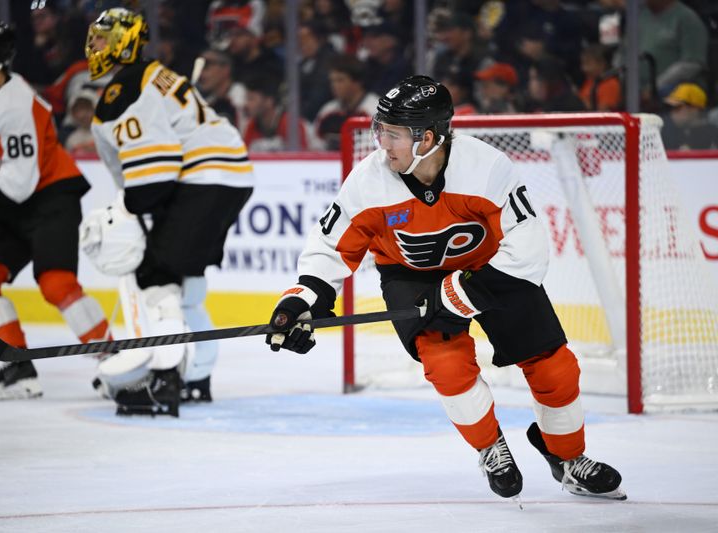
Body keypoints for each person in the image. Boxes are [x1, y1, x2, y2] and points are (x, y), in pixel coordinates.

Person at [264, 75, 626, 501]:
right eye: (380, 130)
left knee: (555, 367)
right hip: (411, 278)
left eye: (393, 134)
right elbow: (330, 247)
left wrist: (457, 293)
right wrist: (301, 300)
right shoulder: (367, 182)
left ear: (428, 138)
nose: (382, 143)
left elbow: (528, 252)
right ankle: (491, 447)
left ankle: (566, 458)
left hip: (492, 271)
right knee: (449, 371)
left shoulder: (487, 168)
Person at [0, 21, 111, 400]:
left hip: (50, 198)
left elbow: (21, 180)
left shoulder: (17, 104)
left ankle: (113, 361)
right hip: (18, 203)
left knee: (56, 284)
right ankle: (19, 364)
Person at [84, 8, 254, 416]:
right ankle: (196, 376)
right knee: (186, 281)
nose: (93, 46)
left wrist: (126, 211)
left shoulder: (124, 89)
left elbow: (154, 176)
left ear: (124, 41)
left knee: (155, 274)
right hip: (230, 174)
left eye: (103, 39)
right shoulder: (154, 74)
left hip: (202, 179)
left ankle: (163, 380)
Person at [661, 83, 718, 150]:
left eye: (677, 107)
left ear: (695, 108)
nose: (672, 112)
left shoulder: (714, 135)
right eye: (670, 107)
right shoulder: (669, 133)